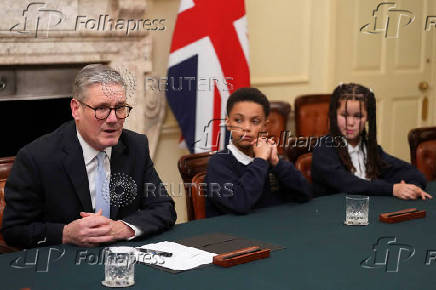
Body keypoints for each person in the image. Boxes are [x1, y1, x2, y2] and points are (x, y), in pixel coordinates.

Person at [2, 64, 177, 248]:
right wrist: (65, 233)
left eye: (119, 108)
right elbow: (14, 230)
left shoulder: (136, 146)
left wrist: (121, 228)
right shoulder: (37, 157)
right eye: (101, 109)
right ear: (76, 109)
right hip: (62, 265)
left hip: (122, 261)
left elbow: (164, 208)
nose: (113, 119)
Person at [311, 82, 432, 200]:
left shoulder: (369, 148)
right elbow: (349, 185)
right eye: (344, 115)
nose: (351, 123)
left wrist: (412, 188)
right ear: (333, 115)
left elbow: (412, 173)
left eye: (358, 116)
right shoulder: (324, 148)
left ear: (368, 117)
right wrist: (393, 189)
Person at [205, 87, 312, 217]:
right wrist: (260, 160)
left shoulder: (269, 158)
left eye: (255, 121)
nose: (246, 128)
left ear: (265, 127)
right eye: (238, 120)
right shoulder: (219, 163)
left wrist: (277, 163)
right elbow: (240, 204)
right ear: (228, 123)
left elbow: (305, 193)